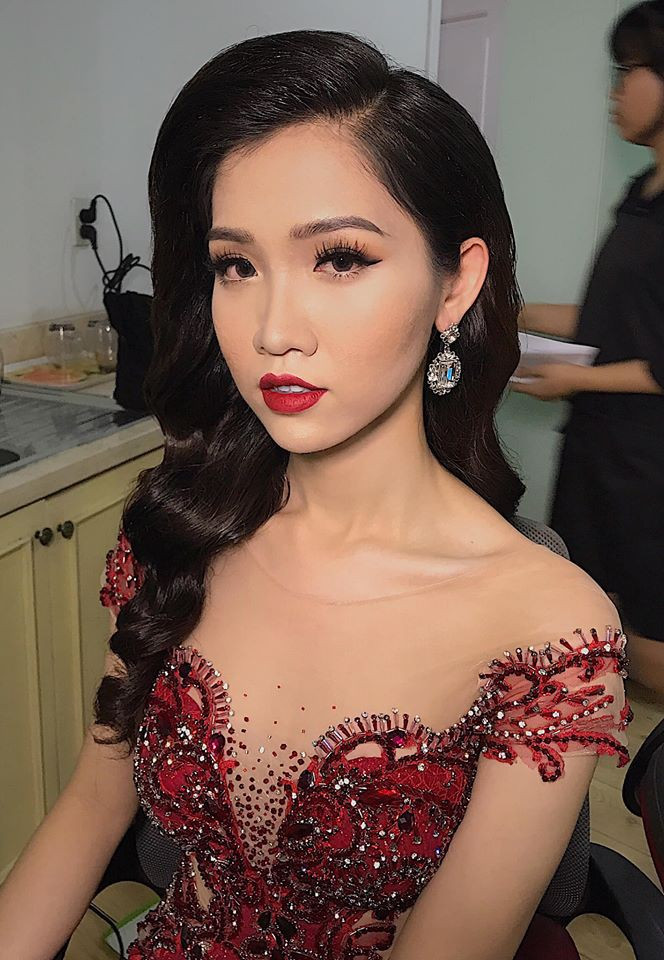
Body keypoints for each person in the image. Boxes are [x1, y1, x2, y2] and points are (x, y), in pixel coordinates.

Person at [0, 29, 634, 960]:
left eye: (338, 258)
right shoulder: (180, 527)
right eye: (236, 265)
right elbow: (90, 808)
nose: (273, 330)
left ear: (456, 284)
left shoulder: (550, 630)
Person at [513, 0, 664, 701]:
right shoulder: (641, 193)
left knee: (648, 650)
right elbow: (610, 316)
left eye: (628, 71)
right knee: (591, 624)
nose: (614, 91)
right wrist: (505, 309)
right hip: (600, 451)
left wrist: (573, 381)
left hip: (647, 465)